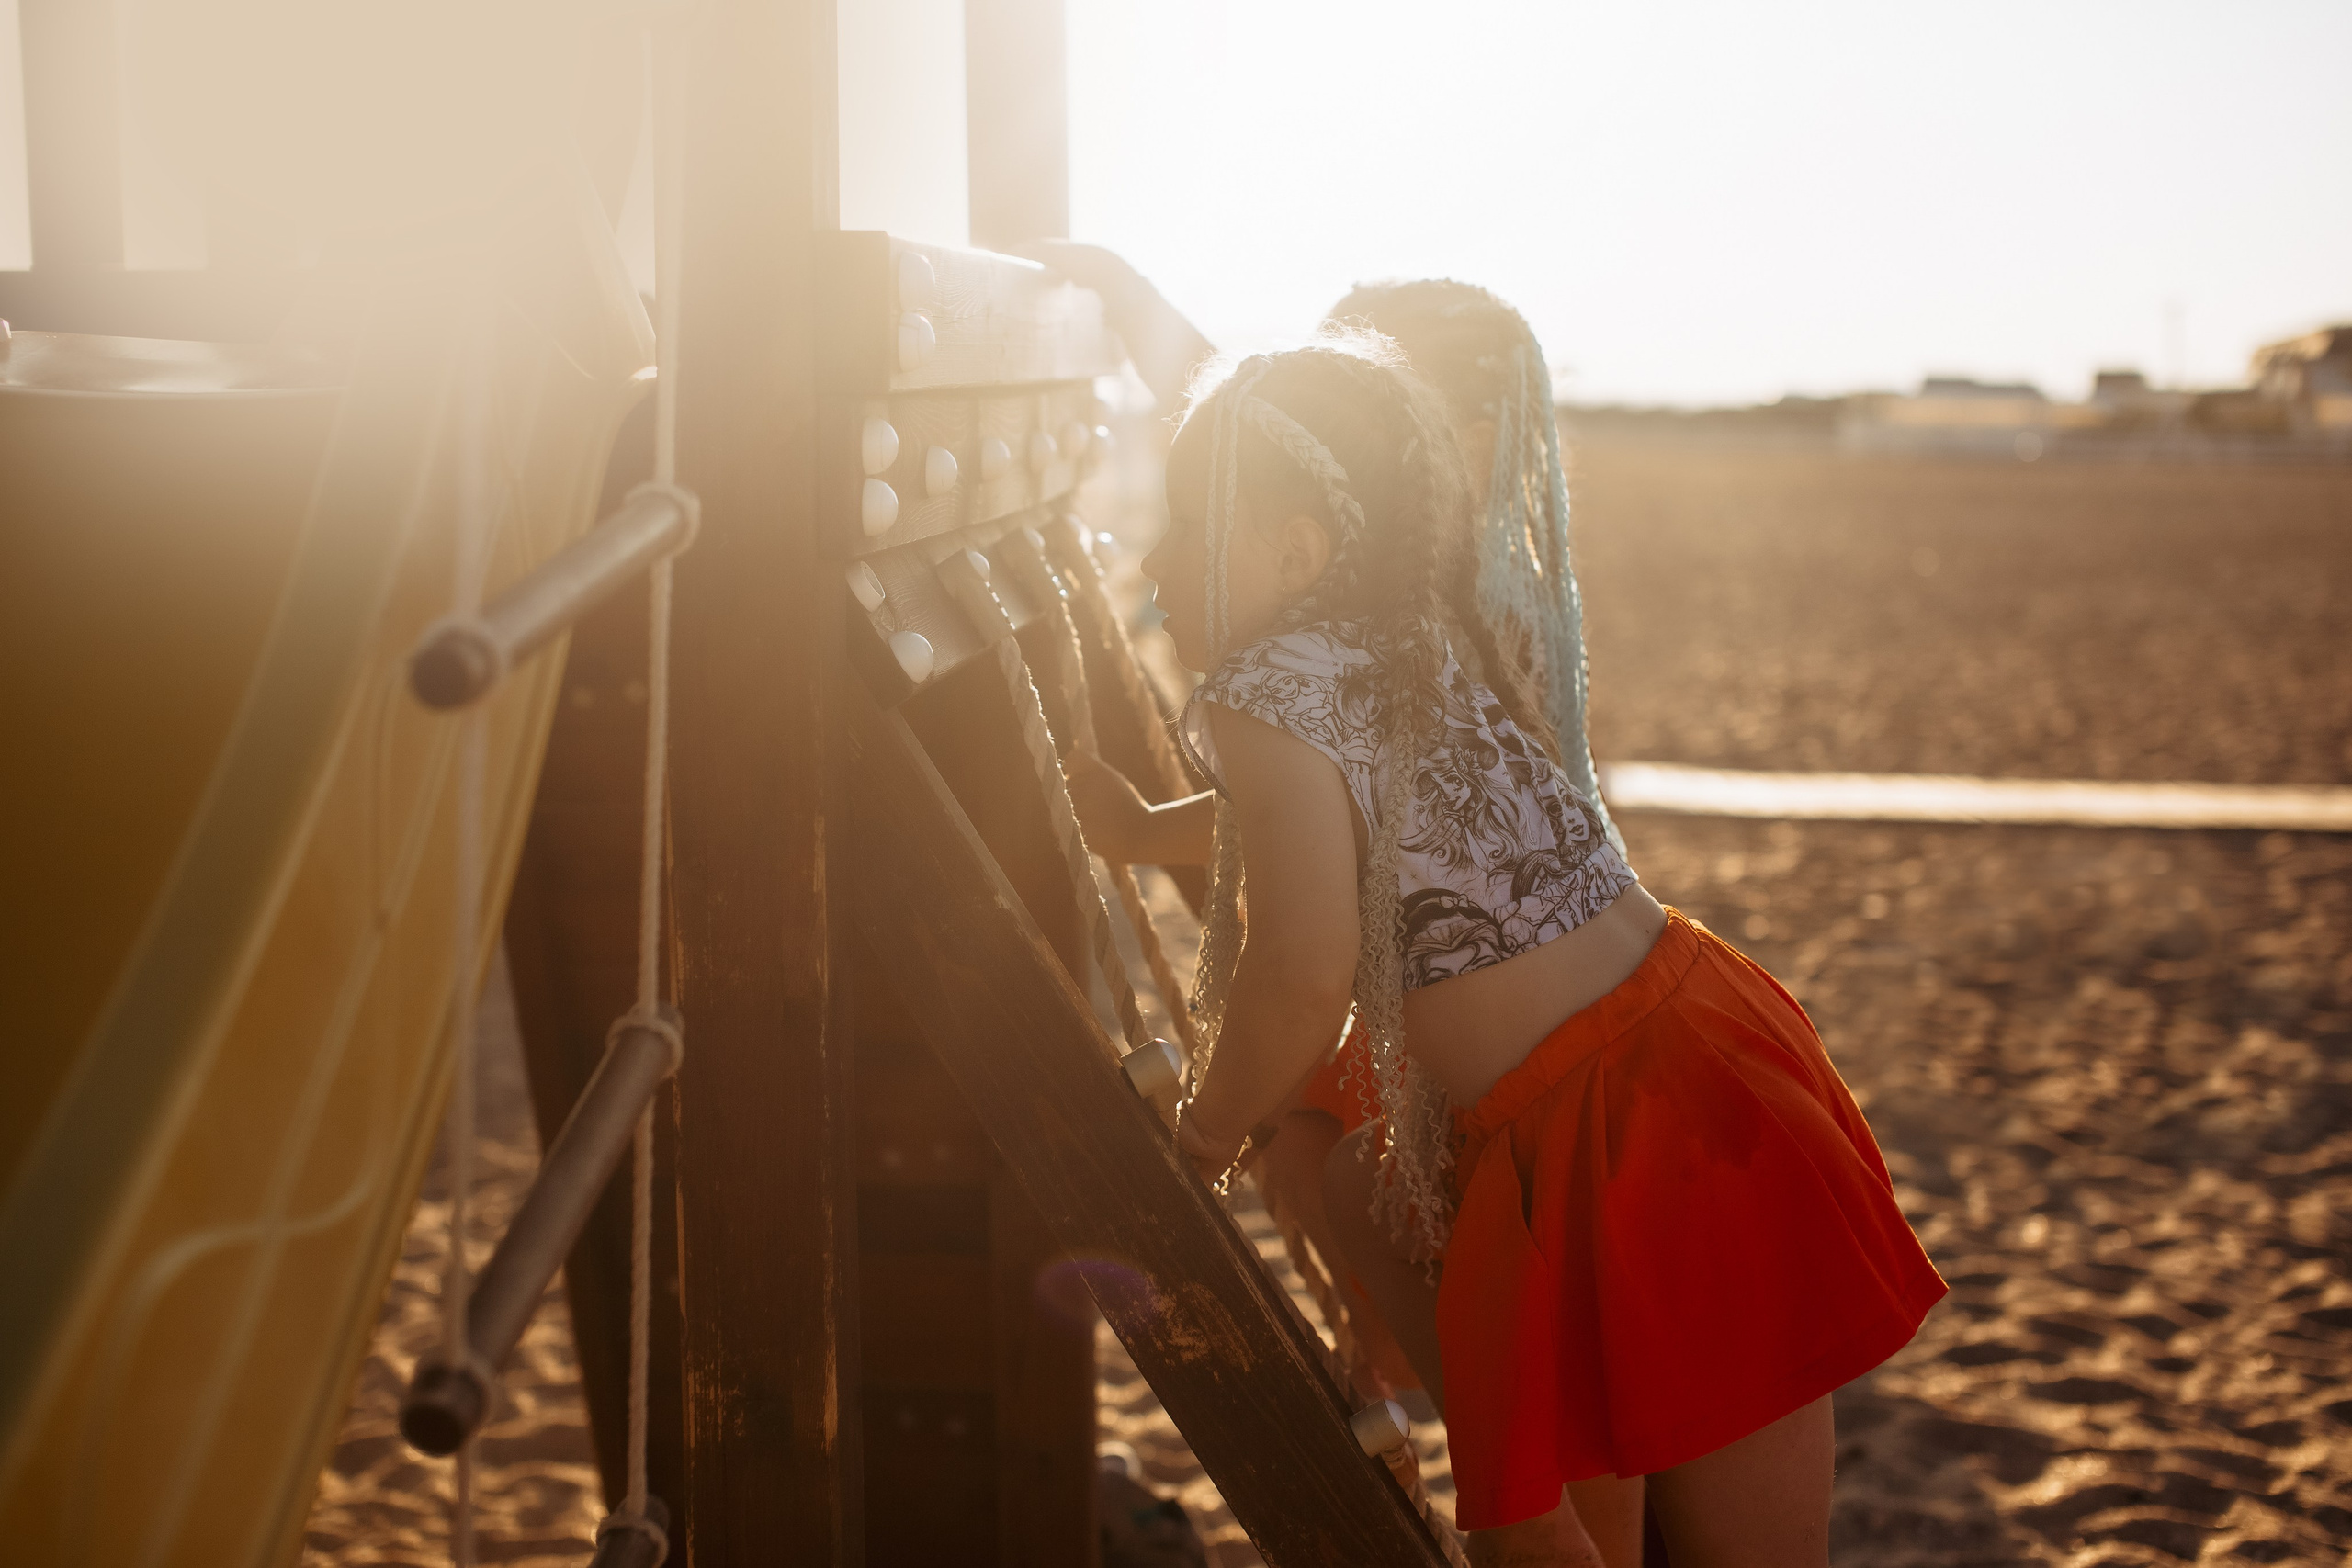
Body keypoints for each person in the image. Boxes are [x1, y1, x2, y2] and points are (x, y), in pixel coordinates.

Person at [1100, 333, 1947, 1568]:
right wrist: (1136, 825)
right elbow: (1321, 821)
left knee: (1529, 1495)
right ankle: (1536, 1473)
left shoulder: (1262, 685)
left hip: (1601, 1128)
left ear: (1296, 552)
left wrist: (1201, 1134)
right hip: (1710, 1055)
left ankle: (1534, 1494)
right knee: (1361, 1187)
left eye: (1186, 523)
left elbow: (1299, 970)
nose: (1154, 557)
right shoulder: (1412, 642)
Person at [1055, 265, 1656, 1562]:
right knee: (1376, 1213)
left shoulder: (1440, 610)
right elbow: (1363, 815)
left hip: (1535, 1072)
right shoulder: (1416, 610)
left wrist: (1198, 1136)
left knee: (1550, 1425)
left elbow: (1319, 928)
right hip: (1651, 1030)